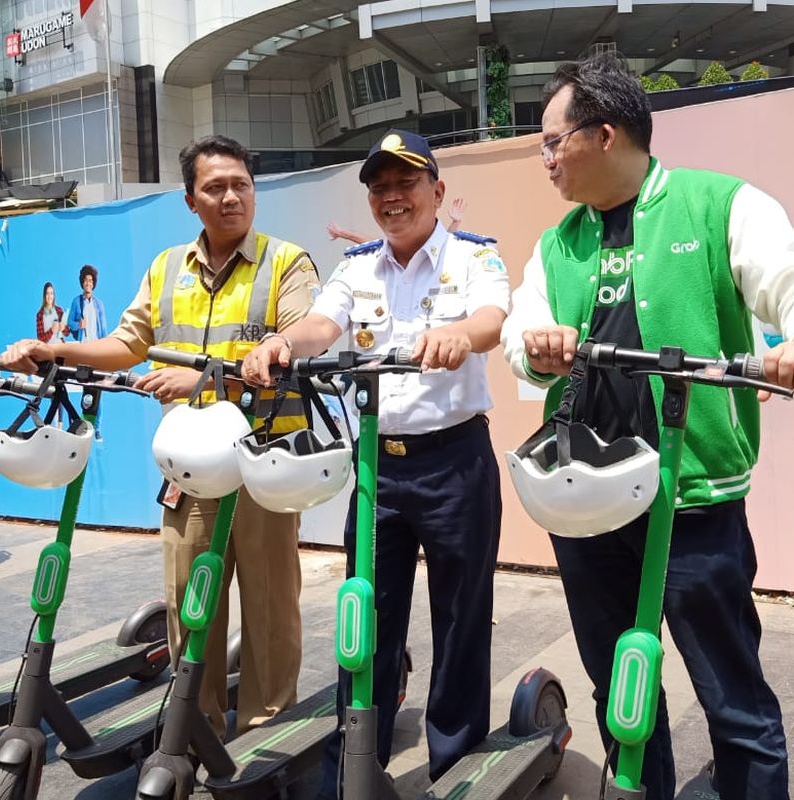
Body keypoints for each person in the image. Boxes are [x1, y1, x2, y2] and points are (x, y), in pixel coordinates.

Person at [500, 55, 794, 800]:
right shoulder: (558, 242)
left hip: (693, 499)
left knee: (733, 696)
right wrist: (535, 345)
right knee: (620, 694)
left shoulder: (717, 203)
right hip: (586, 497)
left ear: (603, 134)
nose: (546, 160)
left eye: (551, 141)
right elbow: (521, 330)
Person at [0, 134, 317, 736]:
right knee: (189, 606)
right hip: (191, 468)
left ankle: (265, 739)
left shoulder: (287, 262)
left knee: (272, 608)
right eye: (215, 187)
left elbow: (293, 346)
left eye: (241, 185)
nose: (231, 198)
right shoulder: (167, 267)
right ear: (189, 199)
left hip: (263, 466)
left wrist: (199, 379)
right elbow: (126, 344)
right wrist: (55, 349)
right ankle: (194, 734)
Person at [242, 129, 509, 795]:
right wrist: (280, 342)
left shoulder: (473, 256)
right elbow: (321, 325)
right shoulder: (357, 267)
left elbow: (493, 317)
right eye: (380, 186)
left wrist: (458, 333)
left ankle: (453, 766)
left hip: (455, 465)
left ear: (437, 192)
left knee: (460, 620)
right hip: (378, 472)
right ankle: (355, 761)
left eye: (406, 182)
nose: (393, 197)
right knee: (367, 614)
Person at [326, 195, 467, 245]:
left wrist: (455, 222)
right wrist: (341, 233)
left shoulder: (433, 247)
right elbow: (371, 243)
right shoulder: (394, 251)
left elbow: (447, 243)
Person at [65, 264, 106, 342]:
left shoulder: (99, 304)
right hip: (83, 343)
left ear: (93, 284)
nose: (88, 283)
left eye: (90, 281)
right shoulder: (76, 301)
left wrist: (105, 345)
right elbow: (70, 322)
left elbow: (103, 328)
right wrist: (78, 325)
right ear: (82, 282)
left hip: (96, 343)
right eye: (86, 280)